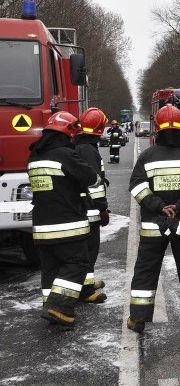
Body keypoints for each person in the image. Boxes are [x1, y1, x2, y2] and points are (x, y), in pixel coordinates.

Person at [127, 104, 180, 333]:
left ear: (157, 128)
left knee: (146, 270)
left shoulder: (147, 156)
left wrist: (160, 207)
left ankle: (138, 319)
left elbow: (136, 188)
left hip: (154, 226)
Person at [26, 111, 100, 328]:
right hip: (67, 224)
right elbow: (92, 179)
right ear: (68, 133)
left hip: (41, 225)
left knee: (51, 268)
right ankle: (59, 307)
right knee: (76, 263)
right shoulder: (66, 155)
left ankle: (50, 305)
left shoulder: (34, 156)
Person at [74, 107, 111, 303]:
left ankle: (86, 283)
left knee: (86, 249)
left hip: (82, 207)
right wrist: (102, 208)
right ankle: (85, 290)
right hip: (89, 210)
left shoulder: (81, 145)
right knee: (89, 250)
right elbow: (94, 183)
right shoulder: (88, 149)